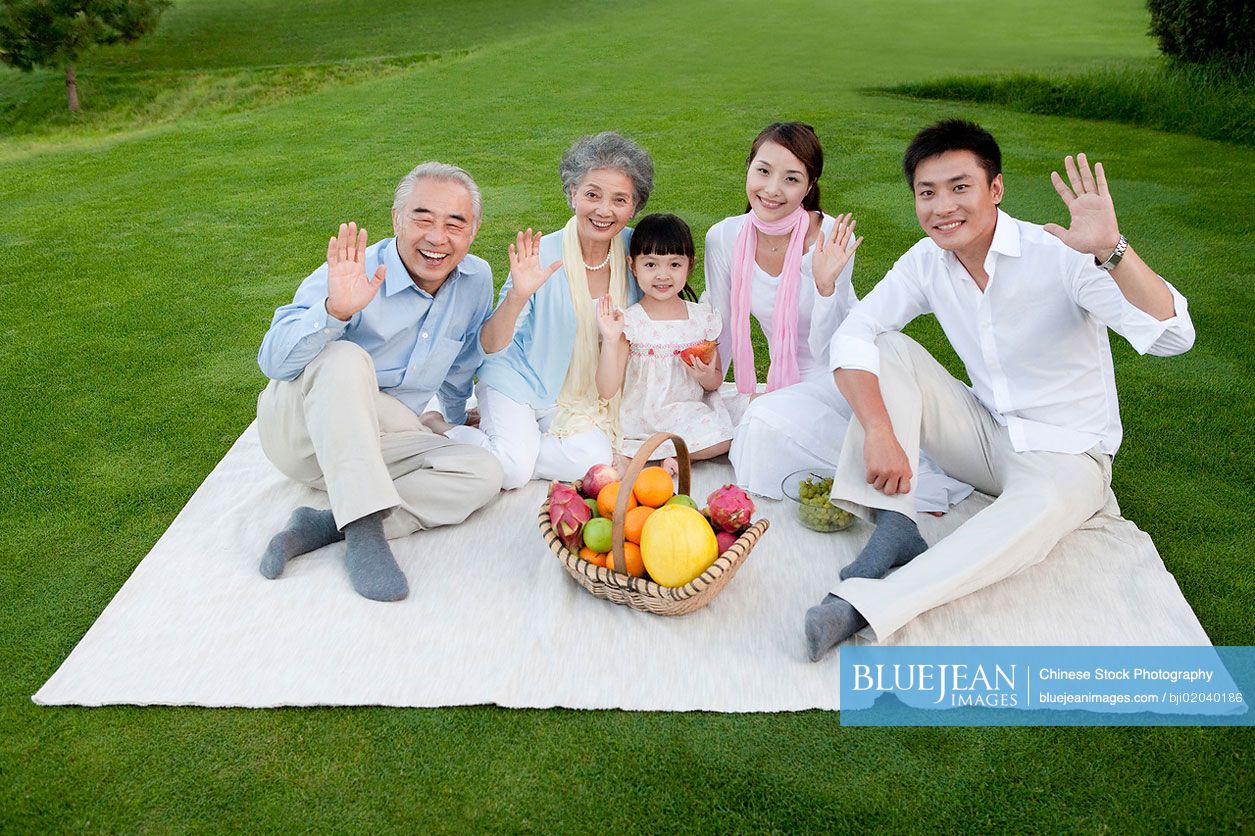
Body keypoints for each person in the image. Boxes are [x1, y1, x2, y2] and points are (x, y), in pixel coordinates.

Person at [805, 120, 1196, 661]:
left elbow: (1173, 337)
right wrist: (879, 429)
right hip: (987, 434)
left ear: (996, 190)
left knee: (1024, 521)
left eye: (959, 187)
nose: (943, 207)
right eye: (927, 192)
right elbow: (853, 334)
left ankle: (865, 606)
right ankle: (895, 522)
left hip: (1069, 455)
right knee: (886, 345)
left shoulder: (1060, 256)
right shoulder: (925, 261)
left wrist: (1113, 250)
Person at [254, 162, 504, 602]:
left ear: (474, 229)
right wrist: (335, 311)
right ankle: (367, 528)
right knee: (345, 358)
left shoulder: (476, 278)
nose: (436, 237)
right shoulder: (356, 270)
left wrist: (451, 418)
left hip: (381, 437)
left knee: (483, 472)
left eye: (454, 223)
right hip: (303, 433)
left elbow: (461, 361)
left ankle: (330, 522)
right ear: (396, 219)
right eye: (422, 217)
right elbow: (273, 361)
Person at [705, 121, 971, 510]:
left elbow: (834, 343)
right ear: (748, 168)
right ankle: (850, 470)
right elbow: (722, 324)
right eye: (763, 171)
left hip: (845, 371)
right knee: (750, 434)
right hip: (788, 381)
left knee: (760, 421)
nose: (772, 189)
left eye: (791, 178)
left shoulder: (831, 237)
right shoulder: (724, 237)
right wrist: (708, 390)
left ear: (809, 186)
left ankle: (909, 476)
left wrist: (826, 286)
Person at [428, 132, 653, 489]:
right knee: (513, 473)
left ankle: (510, 445)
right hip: (516, 379)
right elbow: (490, 346)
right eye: (592, 195)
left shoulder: (638, 252)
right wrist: (518, 295)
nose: (604, 210)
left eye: (620, 199)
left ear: (635, 206)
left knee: (594, 459)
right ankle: (439, 428)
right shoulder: (543, 256)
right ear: (572, 194)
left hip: (576, 396)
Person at [594, 213, 735, 472]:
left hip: (687, 413)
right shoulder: (631, 322)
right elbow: (607, 389)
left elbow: (714, 382)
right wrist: (612, 341)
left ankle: (664, 459)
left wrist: (704, 376)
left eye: (674, 264)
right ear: (633, 265)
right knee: (614, 446)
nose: (662, 275)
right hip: (642, 416)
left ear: (689, 265)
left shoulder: (702, 318)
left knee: (725, 437)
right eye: (650, 265)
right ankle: (659, 455)